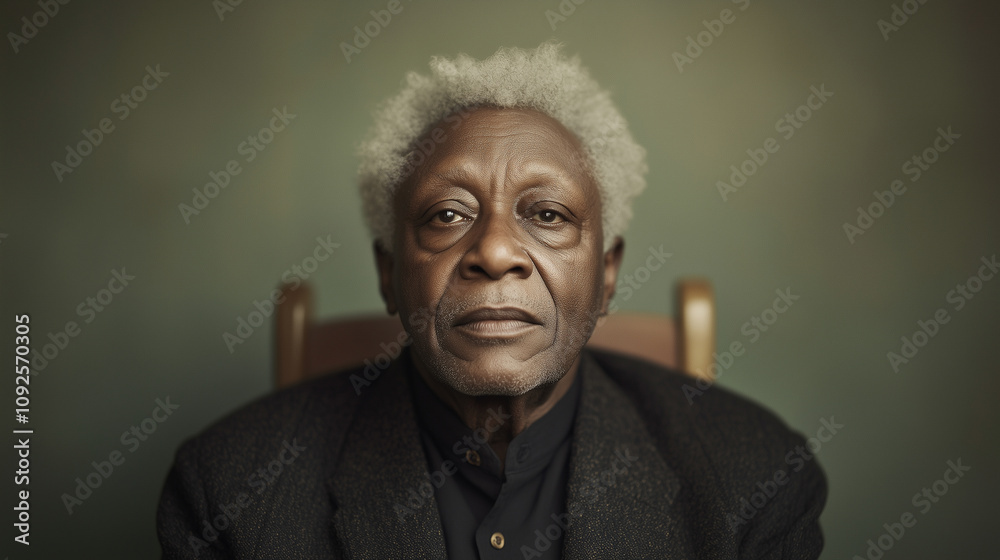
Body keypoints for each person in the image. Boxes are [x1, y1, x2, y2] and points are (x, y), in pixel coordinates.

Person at [157, 42, 826, 559]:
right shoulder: (228, 492)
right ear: (390, 275)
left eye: (549, 214)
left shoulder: (758, 479)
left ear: (608, 274)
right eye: (448, 215)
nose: (496, 251)